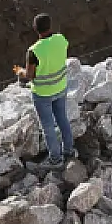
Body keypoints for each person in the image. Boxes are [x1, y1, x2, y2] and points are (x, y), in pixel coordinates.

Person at [15, 14, 73, 167]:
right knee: (62, 120)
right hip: (60, 87)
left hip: (42, 94)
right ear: (50, 26)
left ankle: (55, 159)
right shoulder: (61, 39)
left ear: (35, 29)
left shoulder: (33, 51)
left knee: (48, 127)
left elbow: (29, 75)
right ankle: (69, 151)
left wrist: (19, 71)